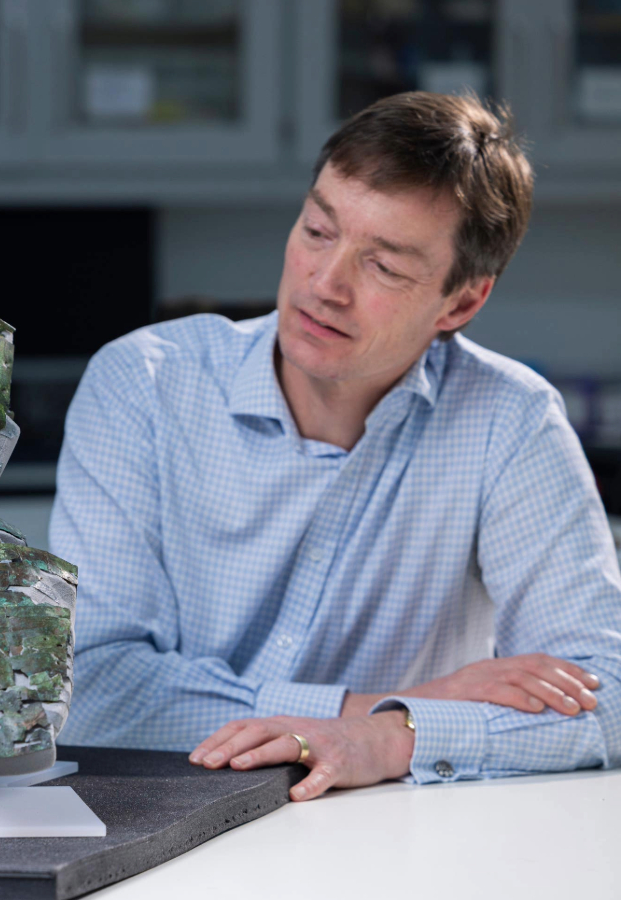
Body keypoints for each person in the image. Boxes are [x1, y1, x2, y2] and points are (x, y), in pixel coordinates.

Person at [52, 92, 621, 801]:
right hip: (159, 825)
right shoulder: (144, 383)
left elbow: (607, 694)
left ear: (462, 302)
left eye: (383, 267)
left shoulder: (510, 419)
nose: (324, 286)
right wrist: (375, 711)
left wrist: (385, 739)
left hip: (399, 844)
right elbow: (94, 689)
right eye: (319, 230)